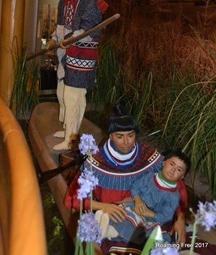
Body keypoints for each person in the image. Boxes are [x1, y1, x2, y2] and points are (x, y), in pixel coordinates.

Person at [64, 105, 188, 253]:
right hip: (112, 218)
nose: (126, 142)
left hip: (148, 215)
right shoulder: (95, 162)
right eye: (119, 136)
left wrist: (180, 218)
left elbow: (176, 184)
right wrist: (103, 206)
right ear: (110, 136)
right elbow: (73, 199)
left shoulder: (148, 155)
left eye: (131, 135)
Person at [45, 0, 107, 151]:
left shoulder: (90, 0)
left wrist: (71, 38)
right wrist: (53, 40)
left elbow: (90, 29)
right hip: (65, 54)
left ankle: (72, 137)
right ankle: (67, 128)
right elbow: (61, 25)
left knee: (74, 97)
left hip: (82, 56)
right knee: (62, 92)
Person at [95, 150, 191, 245]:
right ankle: (105, 221)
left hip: (150, 219)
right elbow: (135, 187)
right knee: (121, 212)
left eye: (179, 170)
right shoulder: (149, 177)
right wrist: (138, 200)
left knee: (142, 229)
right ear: (163, 163)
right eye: (171, 164)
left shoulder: (173, 196)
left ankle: (108, 231)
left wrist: (150, 213)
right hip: (134, 206)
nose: (172, 170)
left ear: (182, 176)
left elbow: (165, 217)